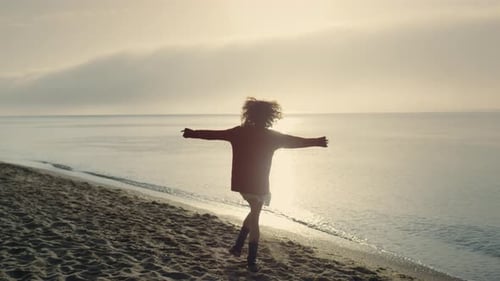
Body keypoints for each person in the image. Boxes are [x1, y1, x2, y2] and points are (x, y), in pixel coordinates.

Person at [182, 97, 328, 272]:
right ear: (269, 117)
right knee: (256, 217)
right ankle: (251, 261)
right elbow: (295, 141)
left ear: (249, 115)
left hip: (242, 184)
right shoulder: (272, 136)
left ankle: (237, 247)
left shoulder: (238, 132)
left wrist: (192, 133)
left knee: (254, 211)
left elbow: (214, 135)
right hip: (259, 185)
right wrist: (317, 142)